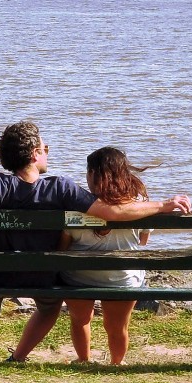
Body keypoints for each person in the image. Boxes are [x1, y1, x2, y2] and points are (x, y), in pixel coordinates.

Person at [0, 120, 192, 364]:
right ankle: (19, 357)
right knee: (49, 307)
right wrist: (163, 206)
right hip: (40, 275)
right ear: (35, 154)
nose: (48, 152)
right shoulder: (60, 187)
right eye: (45, 148)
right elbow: (111, 212)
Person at [57, 147, 154, 366]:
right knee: (118, 326)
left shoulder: (77, 204)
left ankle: (83, 360)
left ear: (93, 174)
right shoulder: (139, 204)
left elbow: (63, 247)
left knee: (80, 319)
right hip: (122, 279)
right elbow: (143, 242)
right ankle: (117, 364)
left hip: (78, 278)